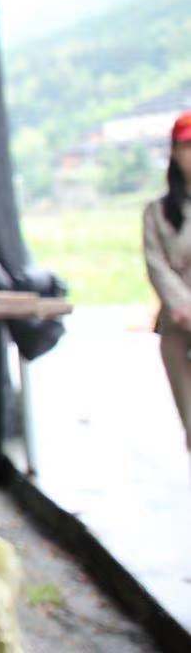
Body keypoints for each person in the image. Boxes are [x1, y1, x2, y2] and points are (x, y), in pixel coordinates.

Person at [143, 112, 191, 458]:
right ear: (174, 152)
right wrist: (183, 306)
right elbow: (156, 264)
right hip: (178, 325)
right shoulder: (158, 212)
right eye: (187, 146)